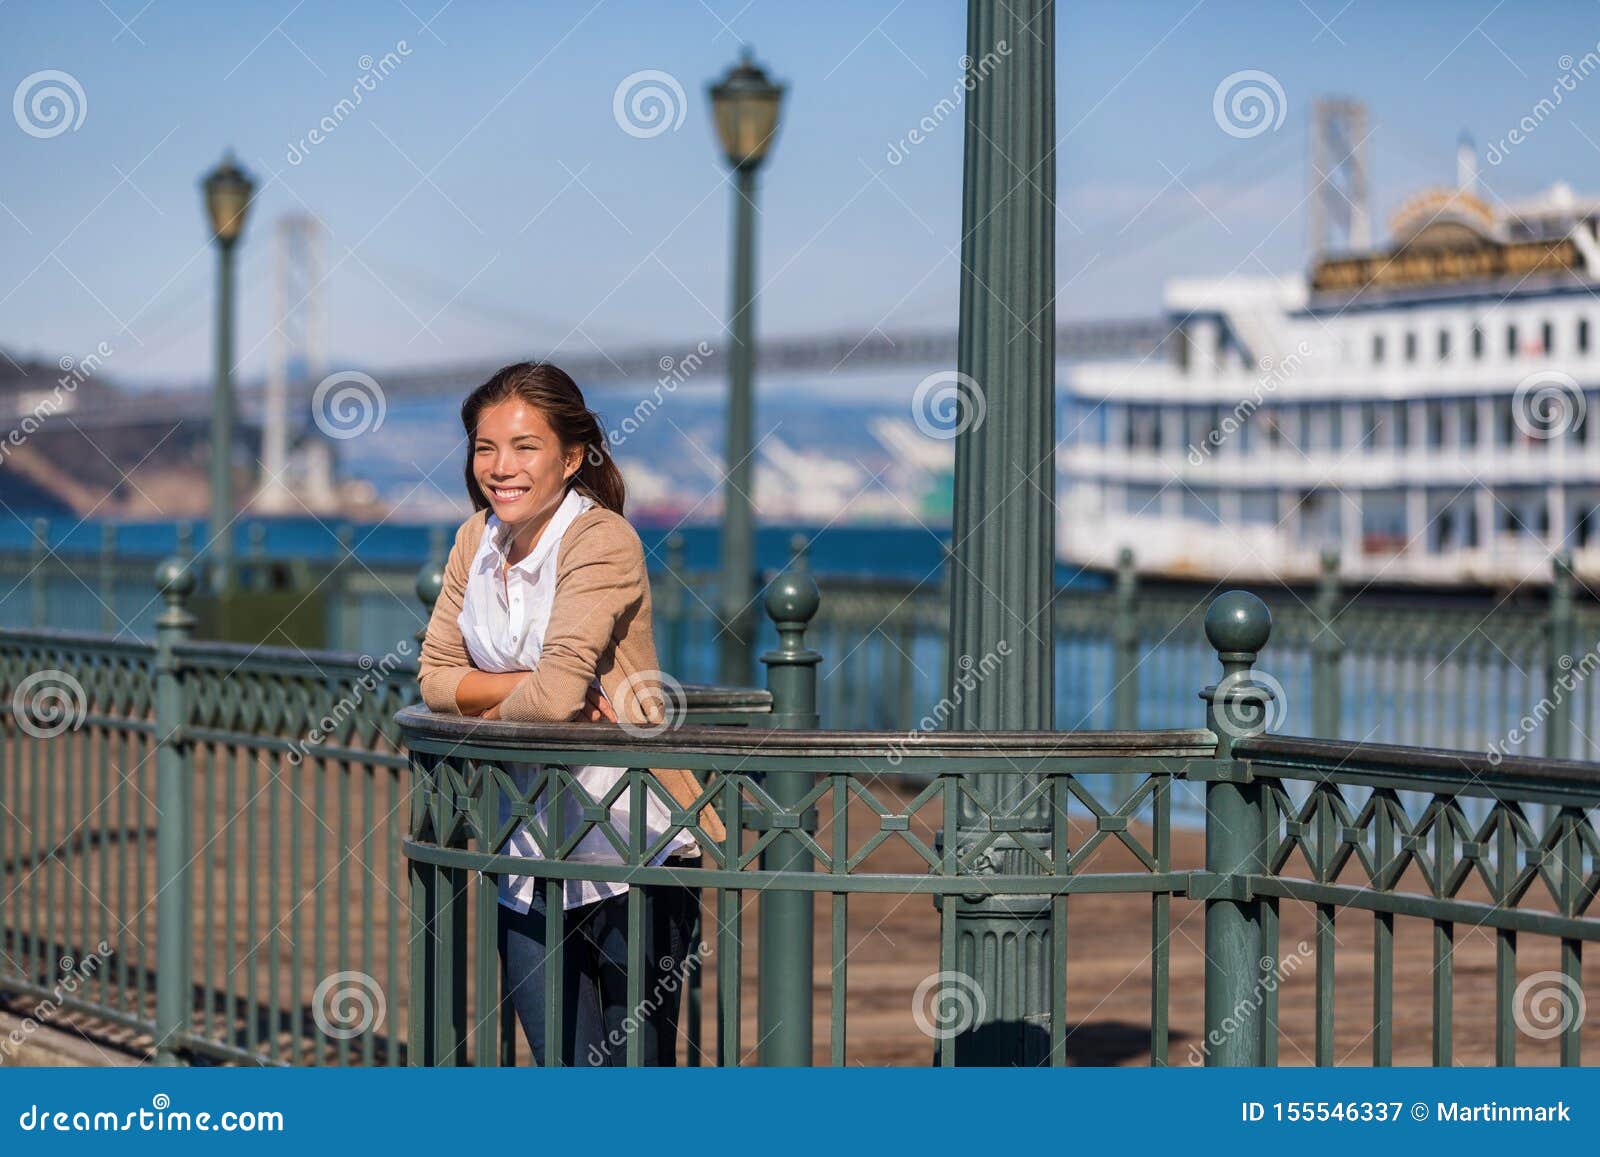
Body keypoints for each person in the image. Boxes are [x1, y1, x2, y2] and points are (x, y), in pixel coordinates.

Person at [417, 361, 723, 1066]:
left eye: (525, 446)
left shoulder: (601, 538)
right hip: (525, 843)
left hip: (629, 843)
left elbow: (557, 698)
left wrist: (492, 691)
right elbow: (434, 679)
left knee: (629, 1081)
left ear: (573, 455)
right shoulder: (474, 540)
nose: (501, 467)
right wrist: (519, 683)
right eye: (486, 447)